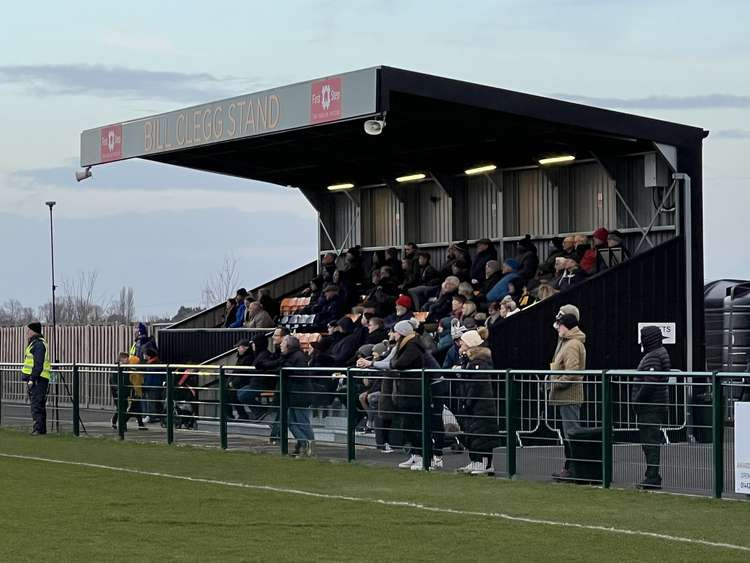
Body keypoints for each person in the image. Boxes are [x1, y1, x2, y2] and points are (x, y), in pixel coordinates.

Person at [455, 329, 500, 476]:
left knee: (482, 434)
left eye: (462, 343)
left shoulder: (480, 363)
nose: (460, 345)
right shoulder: (471, 362)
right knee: (472, 433)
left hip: (481, 405)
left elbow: (476, 386)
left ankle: (485, 463)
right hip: (474, 405)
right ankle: (476, 460)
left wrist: (467, 401)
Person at [548, 313, 587, 481]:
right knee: (570, 434)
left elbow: (572, 372)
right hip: (567, 395)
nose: (558, 328)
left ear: (567, 326)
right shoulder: (571, 343)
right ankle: (571, 468)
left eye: (560, 325)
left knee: (571, 435)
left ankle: (573, 469)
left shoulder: (571, 345)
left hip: (569, 396)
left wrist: (554, 383)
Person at [633, 326, 671, 490]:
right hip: (656, 405)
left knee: (650, 443)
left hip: (650, 406)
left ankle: (652, 477)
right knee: (651, 442)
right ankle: (652, 475)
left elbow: (650, 382)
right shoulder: (660, 353)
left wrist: (636, 401)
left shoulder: (653, 356)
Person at [390, 320, 427, 470]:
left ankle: (423, 457)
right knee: (408, 425)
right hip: (406, 391)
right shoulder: (404, 345)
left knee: (415, 425)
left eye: (395, 331)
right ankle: (416, 455)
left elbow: (399, 363)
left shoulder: (413, 345)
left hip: (413, 392)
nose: (393, 334)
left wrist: (393, 362)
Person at [275, 335, 316, 456]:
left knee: (301, 422)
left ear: (288, 345)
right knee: (292, 422)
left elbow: (301, 373)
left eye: (283, 343)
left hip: (300, 395)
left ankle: (307, 444)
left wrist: (287, 368)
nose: (280, 345)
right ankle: (303, 443)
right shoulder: (291, 356)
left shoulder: (298, 356)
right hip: (294, 394)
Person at [21, 322, 51, 435]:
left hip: (38, 379)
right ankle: (41, 429)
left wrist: (32, 379)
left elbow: (38, 363)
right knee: (39, 404)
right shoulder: (35, 343)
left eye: (28, 330)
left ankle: (38, 429)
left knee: (36, 404)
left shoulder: (38, 344)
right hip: (39, 378)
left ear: (33, 331)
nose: (27, 333)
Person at [110, 351, 146, 430]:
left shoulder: (127, 367)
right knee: (121, 407)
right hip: (118, 392)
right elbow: (113, 380)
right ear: (122, 359)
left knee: (125, 407)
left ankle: (119, 423)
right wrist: (117, 389)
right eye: (127, 359)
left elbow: (129, 379)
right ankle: (118, 423)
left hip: (125, 390)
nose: (128, 361)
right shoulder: (116, 368)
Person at [227, 339, 253, 420]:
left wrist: (233, 383)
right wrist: (230, 381)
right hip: (238, 381)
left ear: (246, 348)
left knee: (231, 393)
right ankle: (230, 414)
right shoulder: (241, 357)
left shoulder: (248, 358)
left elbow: (244, 374)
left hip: (244, 382)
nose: (238, 349)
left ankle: (241, 415)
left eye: (240, 347)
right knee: (227, 391)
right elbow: (236, 371)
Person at [142, 347, 164, 424]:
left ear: (148, 355)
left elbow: (149, 377)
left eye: (144, 354)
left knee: (151, 401)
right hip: (157, 385)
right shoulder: (157, 362)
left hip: (152, 385)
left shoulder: (151, 364)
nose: (143, 355)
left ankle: (152, 417)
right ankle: (155, 416)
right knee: (155, 401)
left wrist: (145, 386)